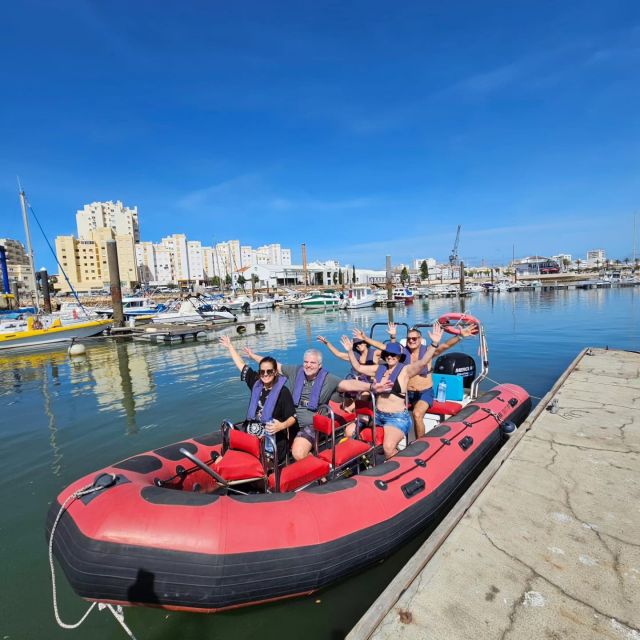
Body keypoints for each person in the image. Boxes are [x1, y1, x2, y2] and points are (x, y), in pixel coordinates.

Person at [243, 346, 392, 461]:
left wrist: (372, 387)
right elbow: (274, 366)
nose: (308, 365)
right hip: (289, 420)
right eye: (306, 362)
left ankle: (321, 470)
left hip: (311, 425)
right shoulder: (295, 371)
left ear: (319, 365)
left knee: (298, 453)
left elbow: (349, 384)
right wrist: (252, 355)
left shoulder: (329, 379)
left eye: (312, 363)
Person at [340, 321, 444, 459]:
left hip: (396, 418)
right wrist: (349, 352)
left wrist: (434, 344)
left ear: (400, 357)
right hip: (377, 416)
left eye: (393, 355)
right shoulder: (379, 368)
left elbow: (423, 362)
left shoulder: (405, 371)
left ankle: (402, 466)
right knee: (349, 431)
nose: (390, 356)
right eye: (387, 354)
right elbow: (358, 368)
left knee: (388, 448)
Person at [389, 323, 476, 438]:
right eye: (409, 339)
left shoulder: (428, 352)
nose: (411, 341)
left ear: (420, 340)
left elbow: (445, 346)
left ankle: (420, 444)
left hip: (424, 393)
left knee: (417, 414)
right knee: (389, 411)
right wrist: (393, 337)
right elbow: (390, 351)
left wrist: (460, 336)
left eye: (414, 338)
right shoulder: (403, 354)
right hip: (406, 393)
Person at [219, 335, 297, 464]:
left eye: (269, 371)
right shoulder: (256, 383)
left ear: (275, 372)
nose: (265, 374)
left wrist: (281, 426)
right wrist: (230, 347)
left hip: (271, 441)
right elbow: (242, 366)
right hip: (251, 436)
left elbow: (292, 417)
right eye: (262, 372)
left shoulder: (283, 392)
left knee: (249, 463)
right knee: (223, 459)